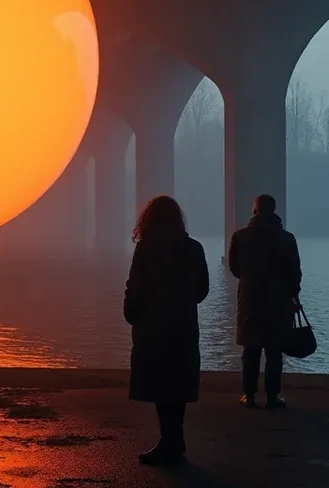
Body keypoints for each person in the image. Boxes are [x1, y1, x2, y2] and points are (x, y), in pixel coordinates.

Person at [124, 195, 210, 467]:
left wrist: (131, 312)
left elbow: (135, 285)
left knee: (160, 386)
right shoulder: (194, 248)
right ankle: (174, 439)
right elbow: (202, 290)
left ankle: (168, 442)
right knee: (177, 383)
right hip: (183, 325)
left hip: (153, 325)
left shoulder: (146, 247)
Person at [227, 193, 302, 409]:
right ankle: (272, 397)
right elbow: (295, 273)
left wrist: (250, 280)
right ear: (274, 210)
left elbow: (234, 268)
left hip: (250, 301)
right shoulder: (287, 239)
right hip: (279, 302)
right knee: (274, 351)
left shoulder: (240, 237)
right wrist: (291, 292)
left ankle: (248, 395)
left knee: (250, 350)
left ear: (254, 210)